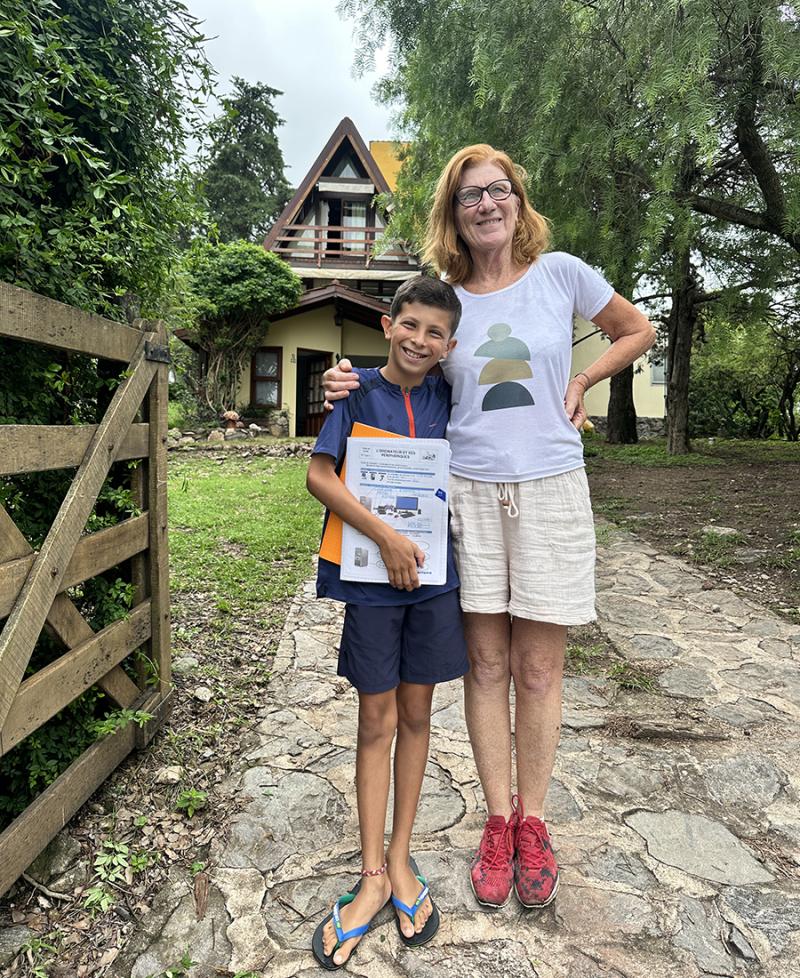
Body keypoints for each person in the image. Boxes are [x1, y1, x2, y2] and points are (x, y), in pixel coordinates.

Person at [322, 144, 656, 911]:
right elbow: (414, 361)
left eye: (496, 190)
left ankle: (532, 823)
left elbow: (636, 331)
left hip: (549, 488)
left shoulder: (562, 273)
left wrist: (584, 377)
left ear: (516, 199)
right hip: (465, 492)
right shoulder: (451, 301)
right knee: (485, 666)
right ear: (454, 212)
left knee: (539, 669)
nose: (485, 204)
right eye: (469, 195)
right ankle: (496, 819)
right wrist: (353, 378)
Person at [307, 275, 469, 969]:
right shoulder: (356, 392)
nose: (420, 340)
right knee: (375, 722)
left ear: (449, 345)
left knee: (416, 719)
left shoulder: (451, 396)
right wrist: (387, 536)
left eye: (435, 333)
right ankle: (371, 875)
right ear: (388, 326)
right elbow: (320, 475)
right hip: (372, 586)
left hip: (432, 589)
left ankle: (401, 860)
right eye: (410, 325)